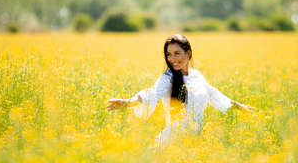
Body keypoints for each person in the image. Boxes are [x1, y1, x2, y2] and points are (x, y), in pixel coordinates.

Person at [107, 34, 256, 146]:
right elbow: (151, 94)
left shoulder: (197, 75)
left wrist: (239, 106)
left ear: (188, 53)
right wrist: (127, 102)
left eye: (177, 53)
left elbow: (213, 94)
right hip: (172, 143)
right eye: (169, 54)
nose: (172, 59)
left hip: (195, 142)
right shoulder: (167, 78)